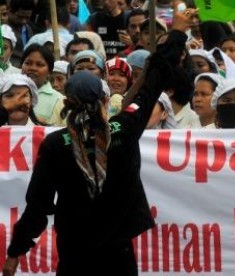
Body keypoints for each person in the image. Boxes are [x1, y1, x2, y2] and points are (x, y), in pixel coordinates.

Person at [2, 6, 192, 275]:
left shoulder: (57, 144)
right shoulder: (124, 128)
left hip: (74, 257)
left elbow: (38, 205)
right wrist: (177, 32)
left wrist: (15, 252)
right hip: (119, 258)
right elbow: (154, 81)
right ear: (104, 100)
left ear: (67, 102)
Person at [21, 44, 65, 126]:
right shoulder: (7, 94)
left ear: (49, 72)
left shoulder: (60, 101)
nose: (33, 68)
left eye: (39, 65)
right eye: (28, 63)